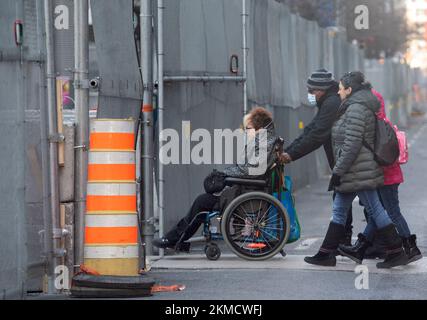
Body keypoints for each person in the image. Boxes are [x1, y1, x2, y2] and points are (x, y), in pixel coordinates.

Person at [304, 71, 407, 269]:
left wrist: (338, 170)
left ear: (350, 90)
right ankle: (326, 254)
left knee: (375, 209)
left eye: (341, 89)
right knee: (339, 210)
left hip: (358, 169)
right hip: (355, 168)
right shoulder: (354, 105)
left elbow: (352, 144)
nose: (339, 92)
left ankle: (396, 251)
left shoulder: (356, 109)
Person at [153, 107, 278, 249]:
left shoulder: (263, 144)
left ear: (258, 128)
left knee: (202, 201)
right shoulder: (265, 141)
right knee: (204, 200)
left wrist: (226, 174)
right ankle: (176, 239)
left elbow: (251, 170)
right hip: (245, 191)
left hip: (245, 194)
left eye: (248, 128)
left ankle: (173, 239)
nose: (245, 132)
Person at [338, 89, 422, 265]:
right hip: (386, 176)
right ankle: (360, 247)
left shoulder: (377, 126)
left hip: (386, 177)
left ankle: (410, 248)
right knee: (379, 213)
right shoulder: (381, 123)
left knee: (390, 212)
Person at [280, 69, 353, 245]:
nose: (310, 94)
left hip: (346, 161)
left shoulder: (332, 103)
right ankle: (344, 242)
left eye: (312, 91)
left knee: (363, 203)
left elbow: (317, 135)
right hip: (343, 160)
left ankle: (386, 244)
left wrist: (291, 154)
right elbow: (311, 129)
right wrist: (288, 150)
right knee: (347, 199)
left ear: (322, 89)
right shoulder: (327, 102)